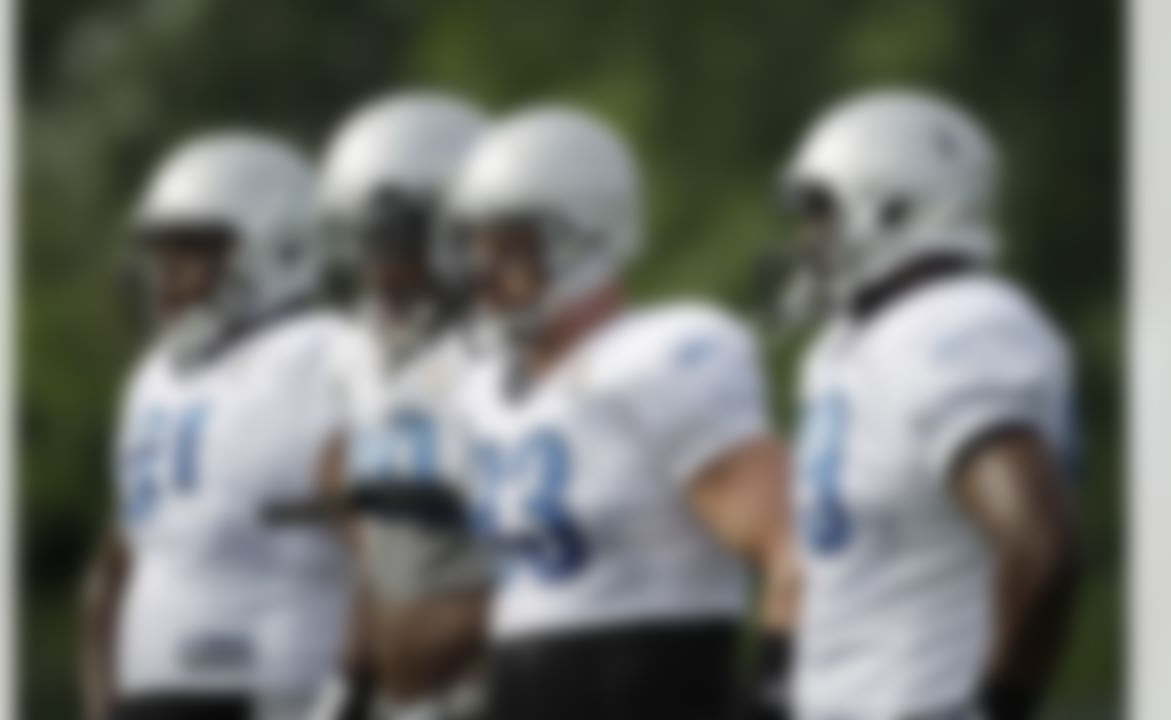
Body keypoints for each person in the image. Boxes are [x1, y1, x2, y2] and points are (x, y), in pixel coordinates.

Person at [442, 105, 794, 720]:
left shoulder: (656, 359)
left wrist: (775, 690)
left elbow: (795, 549)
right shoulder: (479, 393)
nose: (484, 273)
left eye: (512, 247)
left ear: (589, 238)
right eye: (477, 246)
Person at [771, 89, 1081, 720]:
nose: (808, 240)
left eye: (822, 215)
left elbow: (1043, 549)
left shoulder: (955, 324)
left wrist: (997, 705)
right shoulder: (853, 345)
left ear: (893, 211)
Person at [79, 133, 373, 720]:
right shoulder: (157, 376)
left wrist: (352, 690)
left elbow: (385, 555)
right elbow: (115, 571)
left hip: (280, 689)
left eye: (193, 251)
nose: (167, 275)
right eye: (163, 253)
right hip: (154, 696)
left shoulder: (324, 356)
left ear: (278, 246)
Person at [315, 92, 494, 720]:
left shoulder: (504, 356)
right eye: (369, 244)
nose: (383, 270)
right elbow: (376, 551)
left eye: (403, 243)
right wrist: (351, 681)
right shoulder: (358, 357)